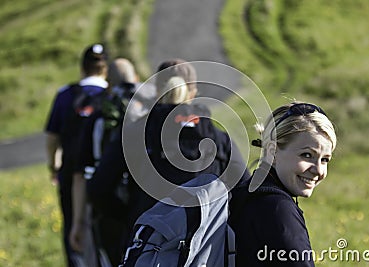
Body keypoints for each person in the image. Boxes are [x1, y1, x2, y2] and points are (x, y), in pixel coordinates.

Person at [122, 58, 251, 222]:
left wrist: (128, 217)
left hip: (147, 237)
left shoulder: (133, 134)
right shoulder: (220, 138)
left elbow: (99, 187)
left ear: (156, 91)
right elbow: (245, 190)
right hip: (205, 241)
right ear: (194, 92)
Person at [70, 57, 155, 266]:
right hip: (147, 205)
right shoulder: (153, 113)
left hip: (107, 207)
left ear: (108, 83)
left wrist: (78, 222)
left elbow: (81, 174)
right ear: (136, 78)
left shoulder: (99, 116)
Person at [229, 102, 337, 266]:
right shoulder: (278, 210)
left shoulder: (246, 192)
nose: (318, 170)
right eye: (307, 155)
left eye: (325, 160)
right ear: (272, 151)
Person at [45, 43, 109, 266]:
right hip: (105, 176)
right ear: (105, 69)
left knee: (74, 231)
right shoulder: (112, 96)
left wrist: (54, 165)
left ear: (82, 68)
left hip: (71, 174)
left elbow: (53, 137)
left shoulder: (65, 95)